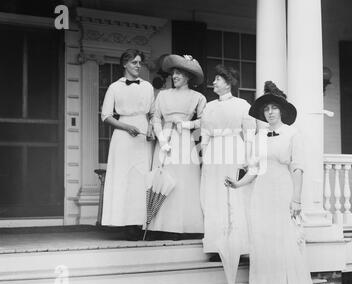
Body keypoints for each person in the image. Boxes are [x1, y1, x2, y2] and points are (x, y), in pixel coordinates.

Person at [225, 81, 313, 284]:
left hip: (283, 191)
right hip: (261, 194)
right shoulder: (259, 137)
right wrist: (238, 184)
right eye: (267, 109)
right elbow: (254, 169)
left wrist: (296, 199)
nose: (270, 112)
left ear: (281, 110)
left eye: (274, 108)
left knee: (283, 240)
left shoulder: (293, 134)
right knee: (263, 241)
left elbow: (298, 168)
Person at [147, 54, 206, 240]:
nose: (175, 76)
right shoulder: (162, 95)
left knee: (184, 181)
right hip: (165, 139)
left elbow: (205, 120)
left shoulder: (198, 97)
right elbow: (156, 118)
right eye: (173, 73)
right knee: (163, 179)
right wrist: (162, 141)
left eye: (180, 73)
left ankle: (184, 225)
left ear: (188, 76)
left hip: (184, 140)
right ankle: (161, 226)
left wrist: (188, 125)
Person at [200, 65, 256, 261]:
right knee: (214, 195)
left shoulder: (242, 105)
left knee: (233, 196)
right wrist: (205, 154)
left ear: (228, 82)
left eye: (218, 79)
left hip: (234, 149)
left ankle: (238, 245)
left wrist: (248, 157)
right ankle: (217, 246)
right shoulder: (209, 106)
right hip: (214, 152)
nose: (214, 82)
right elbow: (205, 132)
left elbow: (249, 133)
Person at [100, 49, 155, 241]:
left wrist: (151, 129)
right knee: (124, 177)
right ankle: (125, 225)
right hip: (123, 136)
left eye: (140, 62)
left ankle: (141, 224)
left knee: (141, 179)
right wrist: (125, 127)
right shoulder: (115, 87)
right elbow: (106, 116)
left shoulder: (147, 86)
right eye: (134, 63)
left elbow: (153, 112)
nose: (138, 66)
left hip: (143, 136)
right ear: (125, 64)